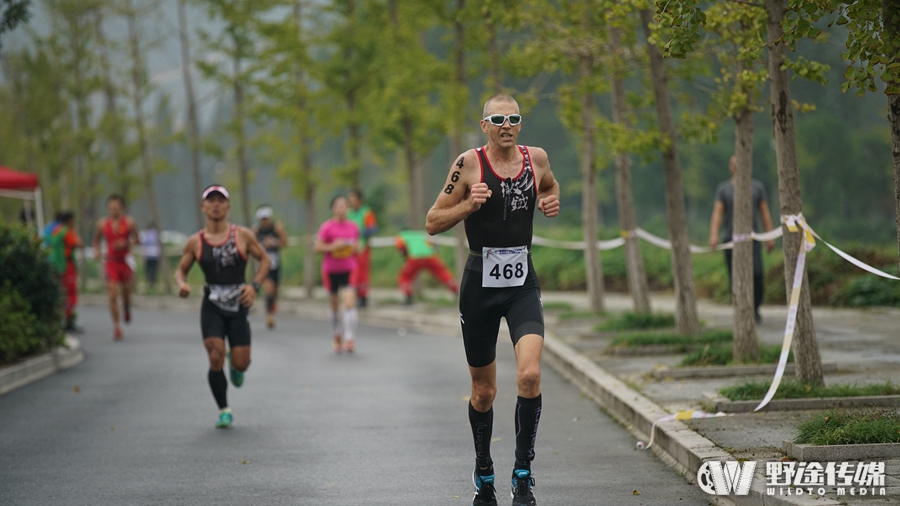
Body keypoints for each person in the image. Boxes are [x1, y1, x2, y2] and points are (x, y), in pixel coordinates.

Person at [425, 93, 560, 506]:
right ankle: (484, 471)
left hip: (522, 282)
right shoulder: (468, 164)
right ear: (484, 125)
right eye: (498, 118)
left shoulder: (536, 158)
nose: (507, 124)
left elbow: (550, 186)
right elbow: (432, 222)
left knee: (530, 376)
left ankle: (523, 472)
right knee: (483, 392)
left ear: (519, 124)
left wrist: (550, 199)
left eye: (514, 118)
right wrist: (468, 204)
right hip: (480, 284)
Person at [174, 185, 270, 429]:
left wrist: (255, 286)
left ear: (228, 206)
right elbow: (181, 270)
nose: (215, 205)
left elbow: (265, 260)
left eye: (220, 201)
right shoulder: (196, 242)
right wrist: (182, 284)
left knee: (242, 363)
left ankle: (234, 362)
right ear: (203, 207)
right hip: (212, 305)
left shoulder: (243, 235)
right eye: (211, 201)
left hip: (239, 302)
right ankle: (224, 409)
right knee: (214, 355)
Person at [708, 155, 776, 324]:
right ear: (730, 167)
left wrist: (770, 235)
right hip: (731, 240)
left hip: (753, 239)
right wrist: (714, 234)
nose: (736, 167)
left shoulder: (757, 187)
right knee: (735, 277)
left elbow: (764, 212)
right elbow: (717, 213)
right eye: (733, 164)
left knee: (757, 274)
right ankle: (742, 309)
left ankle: (755, 307)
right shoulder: (724, 189)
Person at [315, 195, 360, 354]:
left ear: (348, 208)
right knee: (334, 306)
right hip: (330, 270)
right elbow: (317, 247)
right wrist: (333, 246)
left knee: (349, 303)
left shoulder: (353, 227)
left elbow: (357, 247)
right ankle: (336, 334)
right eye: (338, 206)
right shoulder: (327, 227)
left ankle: (349, 338)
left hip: (349, 268)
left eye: (344, 206)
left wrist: (353, 248)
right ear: (333, 209)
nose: (341, 209)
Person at [92, 195, 139, 340]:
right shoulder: (102, 224)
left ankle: (126, 306)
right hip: (111, 262)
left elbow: (137, 240)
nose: (114, 209)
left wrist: (125, 244)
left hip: (124, 261)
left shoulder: (129, 222)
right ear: (107, 208)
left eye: (117, 206)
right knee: (112, 295)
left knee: (125, 292)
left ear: (122, 207)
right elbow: (95, 240)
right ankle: (117, 327)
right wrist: (98, 251)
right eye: (111, 206)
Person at [395, 229, 458, 305]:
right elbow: (432, 244)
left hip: (414, 258)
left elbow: (401, 249)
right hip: (430, 257)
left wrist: (406, 257)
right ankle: (455, 291)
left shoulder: (401, 236)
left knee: (405, 276)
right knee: (443, 273)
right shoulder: (419, 235)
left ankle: (408, 297)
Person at [253, 206, 288, 329]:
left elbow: (285, 243)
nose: (265, 221)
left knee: (275, 290)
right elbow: (252, 246)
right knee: (269, 288)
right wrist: (261, 246)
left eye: (267, 219)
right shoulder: (257, 231)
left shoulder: (276, 229)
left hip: (275, 263)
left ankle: (273, 306)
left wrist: (275, 241)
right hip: (263, 264)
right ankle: (269, 316)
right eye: (263, 219)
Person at [50, 211, 84, 332]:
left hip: (57, 265)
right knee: (70, 293)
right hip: (67, 265)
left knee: (61, 292)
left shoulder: (56, 231)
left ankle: (59, 320)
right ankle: (69, 320)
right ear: (70, 220)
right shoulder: (67, 232)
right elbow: (79, 244)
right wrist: (75, 231)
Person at [347, 189, 378, 308]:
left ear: (359, 199)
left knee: (362, 273)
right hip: (349, 248)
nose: (350, 201)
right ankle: (352, 295)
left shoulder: (366, 212)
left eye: (353, 198)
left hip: (362, 247)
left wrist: (360, 233)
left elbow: (373, 228)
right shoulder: (348, 213)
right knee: (351, 272)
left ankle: (363, 296)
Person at [140, 222, 161, 290]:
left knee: (148, 269)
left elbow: (143, 244)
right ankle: (153, 281)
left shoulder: (145, 234)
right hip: (155, 254)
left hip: (148, 254)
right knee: (154, 269)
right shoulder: (156, 234)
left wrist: (142, 255)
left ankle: (149, 281)